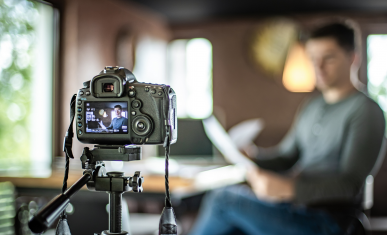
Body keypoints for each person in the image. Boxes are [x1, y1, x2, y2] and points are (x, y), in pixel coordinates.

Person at [188, 22, 385, 235]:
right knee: (232, 220)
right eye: (312, 58)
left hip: (331, 221)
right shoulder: (311, 106)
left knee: (224, 199)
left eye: (328, 58)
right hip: (294, 209)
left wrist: (287, 189)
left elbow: (349, 185)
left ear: (353, 58)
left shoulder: (366, 111)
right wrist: (253, 157)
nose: (318, 66)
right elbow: (286, 156)